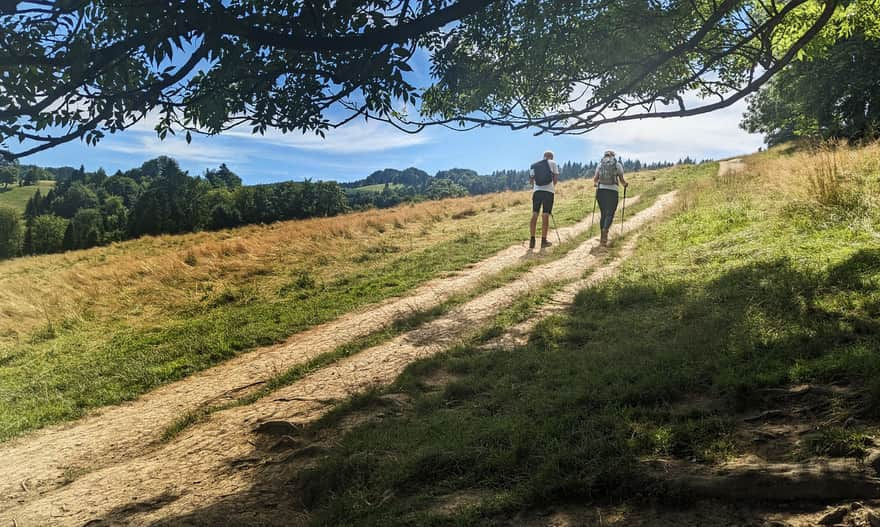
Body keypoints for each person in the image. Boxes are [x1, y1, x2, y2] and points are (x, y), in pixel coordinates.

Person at [592, 150, 628, 246]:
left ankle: (602, 238)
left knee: (603, 213)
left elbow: (595, 179)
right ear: (613, 156)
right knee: (610, 212)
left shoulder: (600, 165)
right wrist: (625, 184)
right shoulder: (617, 164)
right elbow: (621, 180)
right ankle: (605, 230)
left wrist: (596, 184)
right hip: (613, 191)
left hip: (601, 191)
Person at [529, 150, 559, 249]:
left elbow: (531, 179)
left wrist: (535, 188)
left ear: (544, 156)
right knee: (545, 214)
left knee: (534, 214)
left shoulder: (533, 165)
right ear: (551, 157)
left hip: (537, 192)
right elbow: (555, 178)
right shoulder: (553, 163)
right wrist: (551, 187)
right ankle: (543, 241)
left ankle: (532, 240)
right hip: (548, 192)